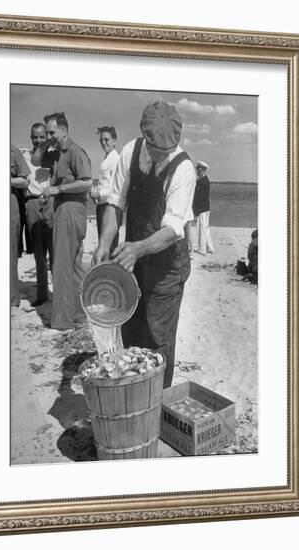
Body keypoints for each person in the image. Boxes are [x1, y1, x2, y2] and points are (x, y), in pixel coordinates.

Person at [93, 100, 196, 388]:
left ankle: (157, 404)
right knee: (132, 330)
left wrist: (137, 248)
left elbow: (173, 229)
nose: (161, 157)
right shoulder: (130, 151)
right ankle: (135, 397)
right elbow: (115, 203)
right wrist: (104, 242)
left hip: (167, 268)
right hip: (134, 262)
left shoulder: (183, 168)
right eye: (156, 150)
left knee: (157, 338)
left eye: (167, 151)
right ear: (145, 138)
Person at [42, 112, 92, 331]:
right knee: (73, 267)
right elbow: (35, 159)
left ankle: (62, 321)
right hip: (70, 211)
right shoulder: (58, 153)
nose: (49, 136)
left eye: (52, 132)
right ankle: (79, 314)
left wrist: (58, 188)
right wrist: (45, 143)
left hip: (70, 211)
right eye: (46, 133)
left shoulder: (74, 151)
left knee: (62, 265)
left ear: (64, 129)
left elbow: (87, 182)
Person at [22, 123, 60, 307]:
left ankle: (59, 294)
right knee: (38, 253)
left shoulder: (53, 155)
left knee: (54, 252)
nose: (38, 140)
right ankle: (42, 294)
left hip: (49, 203)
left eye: (41, 137)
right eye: (34, 137)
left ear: (46, 137)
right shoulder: (25, 156)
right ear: (30, 138)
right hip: (31, 204)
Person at [90, 126, 120, 255]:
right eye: (101, 140)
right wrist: (95, 195)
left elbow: (116, 187)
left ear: (114, 141)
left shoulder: (115, 159)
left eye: (106, 139)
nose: (103, 143)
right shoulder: (107, 158)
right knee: (103, 243)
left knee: (109, 244)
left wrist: (99, 193)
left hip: (110, 206)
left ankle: (110, 272)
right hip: (102, 205)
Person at [10, 143, 31, 307]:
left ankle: (12, 298)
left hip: (10, 202)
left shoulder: (13, 150)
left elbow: (25, 181)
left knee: (10, 253)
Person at [187, 160, 214, 255]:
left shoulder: (203, 182)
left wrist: (196, 212)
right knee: (205, 228)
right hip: (205, 208)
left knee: (202, 229)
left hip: (202, 209)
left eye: (199, 169)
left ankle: (202, 249)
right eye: (197, 169)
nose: (197, 171)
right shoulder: (204, 181)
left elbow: (200, 199)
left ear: (203, 170)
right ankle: (210, 247)